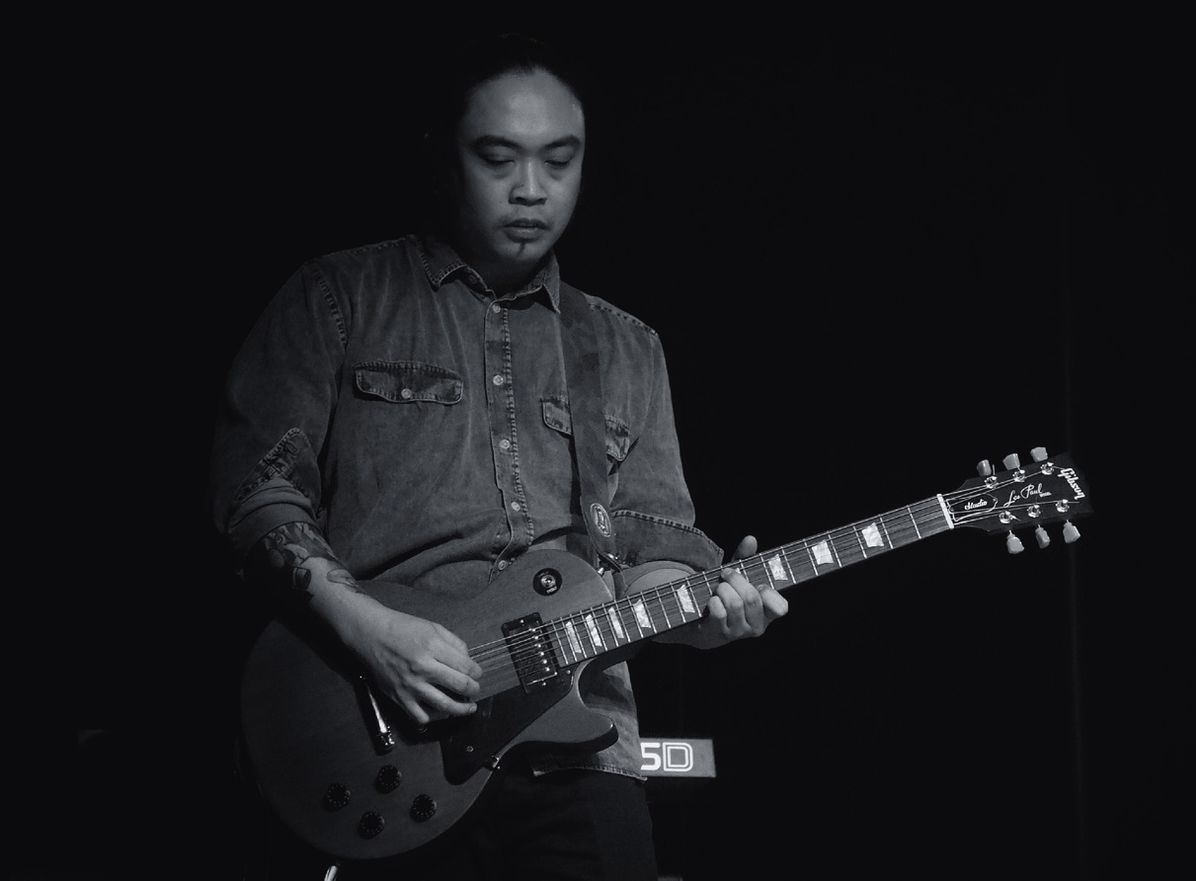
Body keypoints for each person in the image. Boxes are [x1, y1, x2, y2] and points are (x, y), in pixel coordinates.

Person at [210, 33, 787, 880]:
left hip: (585, 755)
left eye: (559, 161)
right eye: (498, 158)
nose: (531, 190)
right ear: (446, 158)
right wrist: (371, 631)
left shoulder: (626, 348)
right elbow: (254, 494)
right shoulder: (338, 297)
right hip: (393, 741)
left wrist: (712, 614)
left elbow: (650, 560)